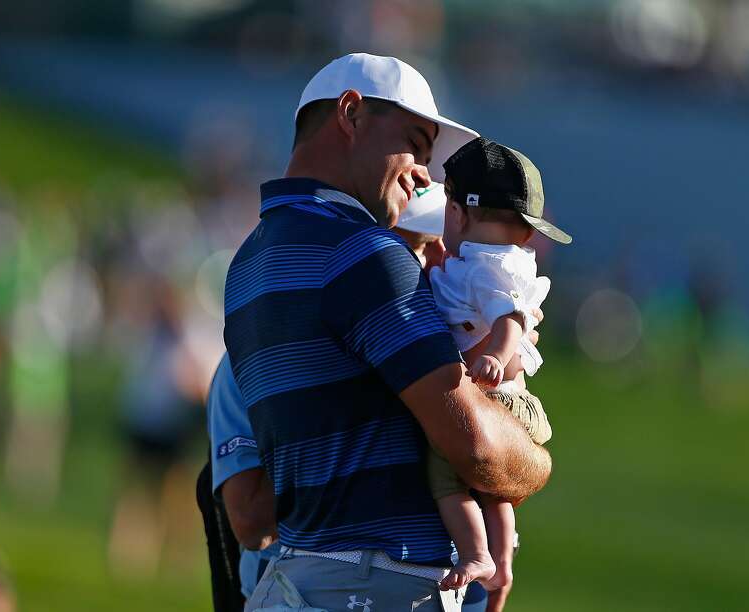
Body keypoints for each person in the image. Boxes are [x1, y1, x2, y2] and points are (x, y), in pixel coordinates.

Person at [221, 53, 552, 611]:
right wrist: (537, 457)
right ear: (350, 113)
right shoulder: (363, 252)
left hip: (296, 584)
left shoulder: (249, 261)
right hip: (376, 587)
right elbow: (475, 448)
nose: (426, 174)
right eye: (417, 145)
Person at [201, 187, 499, 611]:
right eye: (417, 246)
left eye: (448, 249)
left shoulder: (453, 353)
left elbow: (500, 462)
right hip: (305, 594)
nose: (439, 265)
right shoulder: (245, 361)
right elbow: (250, 523)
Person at [427, 137, 571, 591]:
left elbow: (509, 319)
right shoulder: (491, 261)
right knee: (494, 493)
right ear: (529, 232)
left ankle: (477, 556)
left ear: (458, 212)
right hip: (513, 400)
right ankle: (503, 565)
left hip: (500, 398)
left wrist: (493, 354)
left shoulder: (489, 265)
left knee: (444, 477)